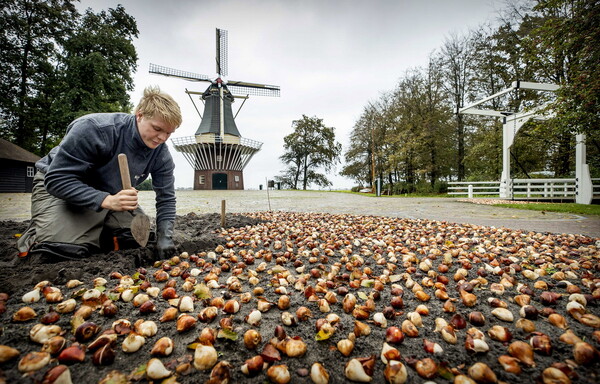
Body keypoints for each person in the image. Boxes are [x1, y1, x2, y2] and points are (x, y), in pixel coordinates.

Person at [17, 85, 182, 261]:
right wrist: (107, 200)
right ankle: (37, 235)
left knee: (134, 239)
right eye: (157, 129)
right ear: (139, 115)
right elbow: (57, 180)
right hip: (60, 188)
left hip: (110, 193)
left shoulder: (161, 154)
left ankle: (91, 230)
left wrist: (164, 238)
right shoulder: (95, 129)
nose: (162, 138)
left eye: (168, 133)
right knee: (63, 249)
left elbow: (166, 198)